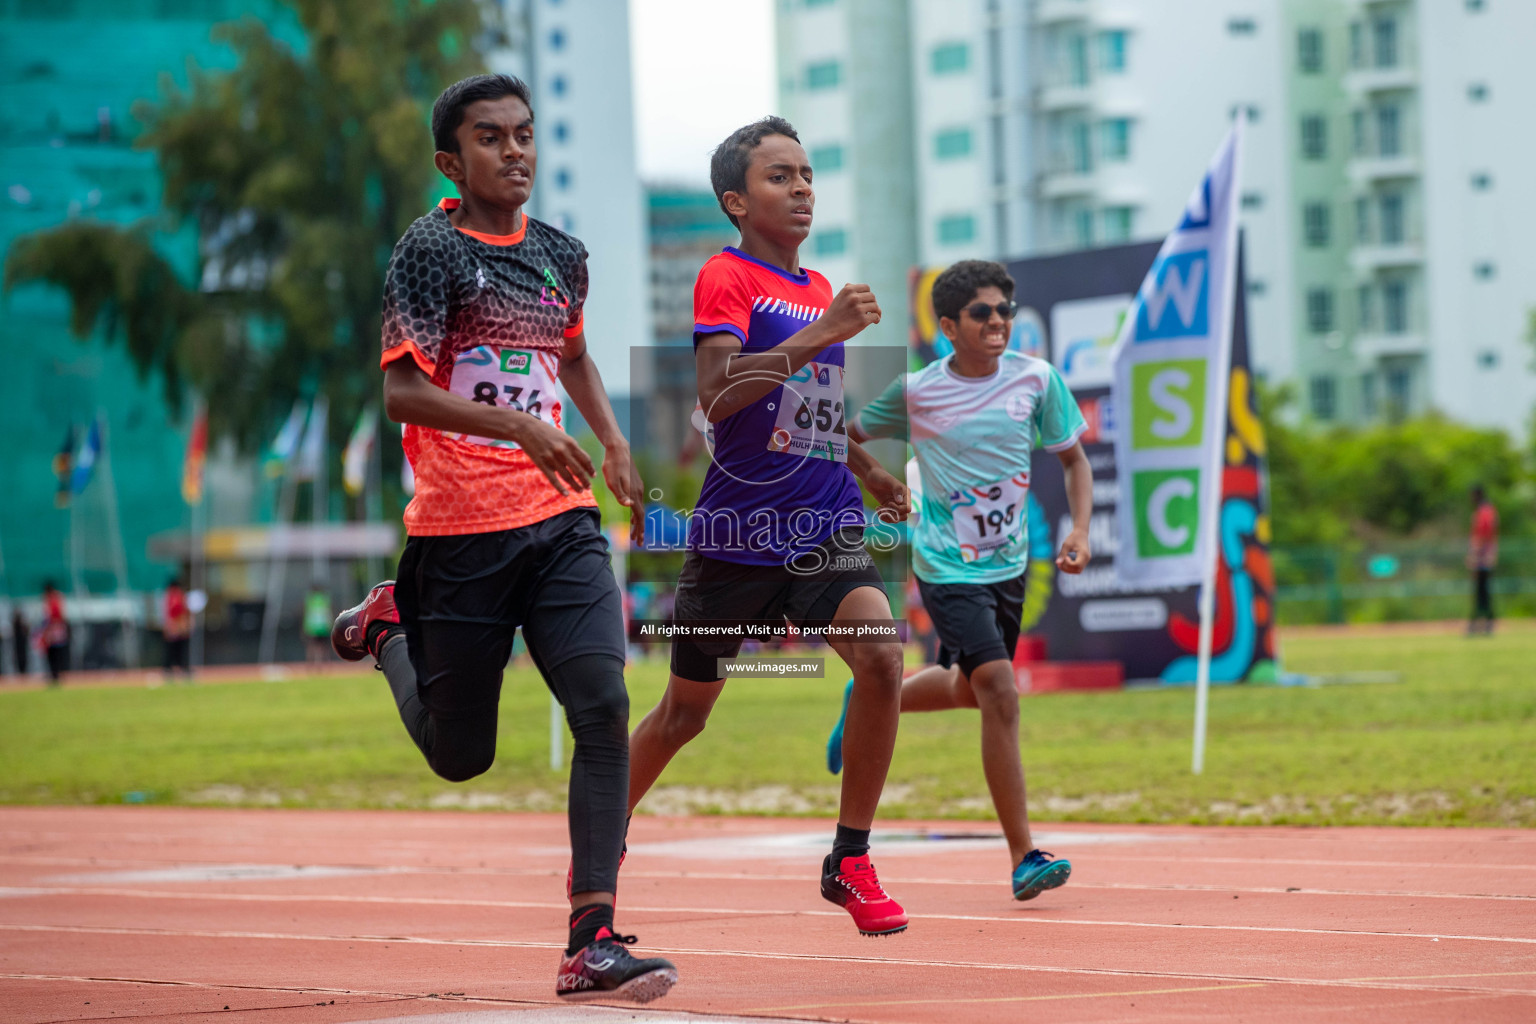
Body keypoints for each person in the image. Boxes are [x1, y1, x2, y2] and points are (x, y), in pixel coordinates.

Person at [328, 74, 675, 1003]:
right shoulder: (429, 254)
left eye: (524, 135)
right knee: (459, 755)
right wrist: (519, 426)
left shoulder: (562, 254)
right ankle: (388, 628)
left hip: (560, 520)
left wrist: (609, 442)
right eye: (491, 139)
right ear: (452, 161)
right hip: (459, 533)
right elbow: (400, 392)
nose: (515, 151)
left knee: (602, 704)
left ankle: (590, 939)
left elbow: (571, 356)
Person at [625, 117, 913, 938]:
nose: (802, 189)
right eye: (780, 177)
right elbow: (718, 393)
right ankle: (601, 839)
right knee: (684, 715)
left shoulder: (819, 288)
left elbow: (813, 409)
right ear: (735, 201)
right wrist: (826, 333)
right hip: (738, 538)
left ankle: (849, 858)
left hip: (823, 524)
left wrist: (871, 469)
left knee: (884, 659)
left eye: (809, 175)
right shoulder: (727, 278)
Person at [830, 259, 1094, 902]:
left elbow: (1074, 461)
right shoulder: (917, 390)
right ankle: (1024, 855)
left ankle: (865, 698)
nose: (998, 321)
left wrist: (1080, 529)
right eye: (982, 312)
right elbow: (837, 436)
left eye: (1005, 310)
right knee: (1000, 690)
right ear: (949, 325)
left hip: (1008, 566)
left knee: (970, 689)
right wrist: (878, 479)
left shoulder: (1038, 380)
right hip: (946, 566)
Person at [1468, 484, 1498, 635]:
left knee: (1481, 590)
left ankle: (1481, 623)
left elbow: (1483, 534)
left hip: (1483, 556)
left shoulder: (1484, 511)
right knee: (1483, 590)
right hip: (1486, 554)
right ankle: (1483, 622)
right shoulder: (1488, 510)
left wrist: (1475, 554)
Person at [39, 581, 70, 686]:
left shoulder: (51, 600)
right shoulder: (58, 598)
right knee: (56, 652)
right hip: (56, 628)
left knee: (53, 653)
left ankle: (55, 674)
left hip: (53, 629)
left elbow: (52, 616)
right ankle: (56, 674)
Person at [162, 577, 193, 682]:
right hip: (178, 628)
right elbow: (180, 612)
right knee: (177, 650)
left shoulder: (173, 595)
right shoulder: (177, 595)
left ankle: (172, 669)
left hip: (176, 627)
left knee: (175, 650)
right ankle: (177, 669)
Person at [302, 585, 332, 665]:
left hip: (312, 627)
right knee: (324, 647)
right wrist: (330, 625)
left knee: (312, 646)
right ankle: (324, 663)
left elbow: (307, 614)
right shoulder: (324, 599)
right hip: (323, 627)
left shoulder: (310, 599)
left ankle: (311, 663)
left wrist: (305, 627)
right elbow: (328, 613)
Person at [9, 607, 28, 678]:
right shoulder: (15, 623)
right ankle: (20, 673)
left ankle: (23, 672)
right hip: (17, 644)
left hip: (21, 644)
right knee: (18, 658)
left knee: (22, 658)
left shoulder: (22, 624)